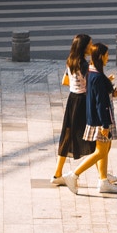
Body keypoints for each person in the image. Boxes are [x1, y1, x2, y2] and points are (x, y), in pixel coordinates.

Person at [68, 41, 117, 193]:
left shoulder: (92, 72)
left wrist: (111, 90)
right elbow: (100, 103)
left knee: (105, 147)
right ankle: (74, 175)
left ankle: (103, 179)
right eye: (106, 55)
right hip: (101, 119)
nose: (108, 57)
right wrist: (105, 125)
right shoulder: (97, 76)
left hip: (99, 117)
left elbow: (99, 95)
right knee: (101, 151)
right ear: (100, 56)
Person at [50, 32, 92, 187]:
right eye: (89, 44)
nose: (91, 47)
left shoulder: (70, 61)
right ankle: (103, 175)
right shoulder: (84, 65)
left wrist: (76, 84)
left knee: (67, 136)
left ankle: (57, 174)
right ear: (83, 47)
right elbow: (90, 85)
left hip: (72, 100)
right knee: (95, 138)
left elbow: (64, 81)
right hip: (83, 101)